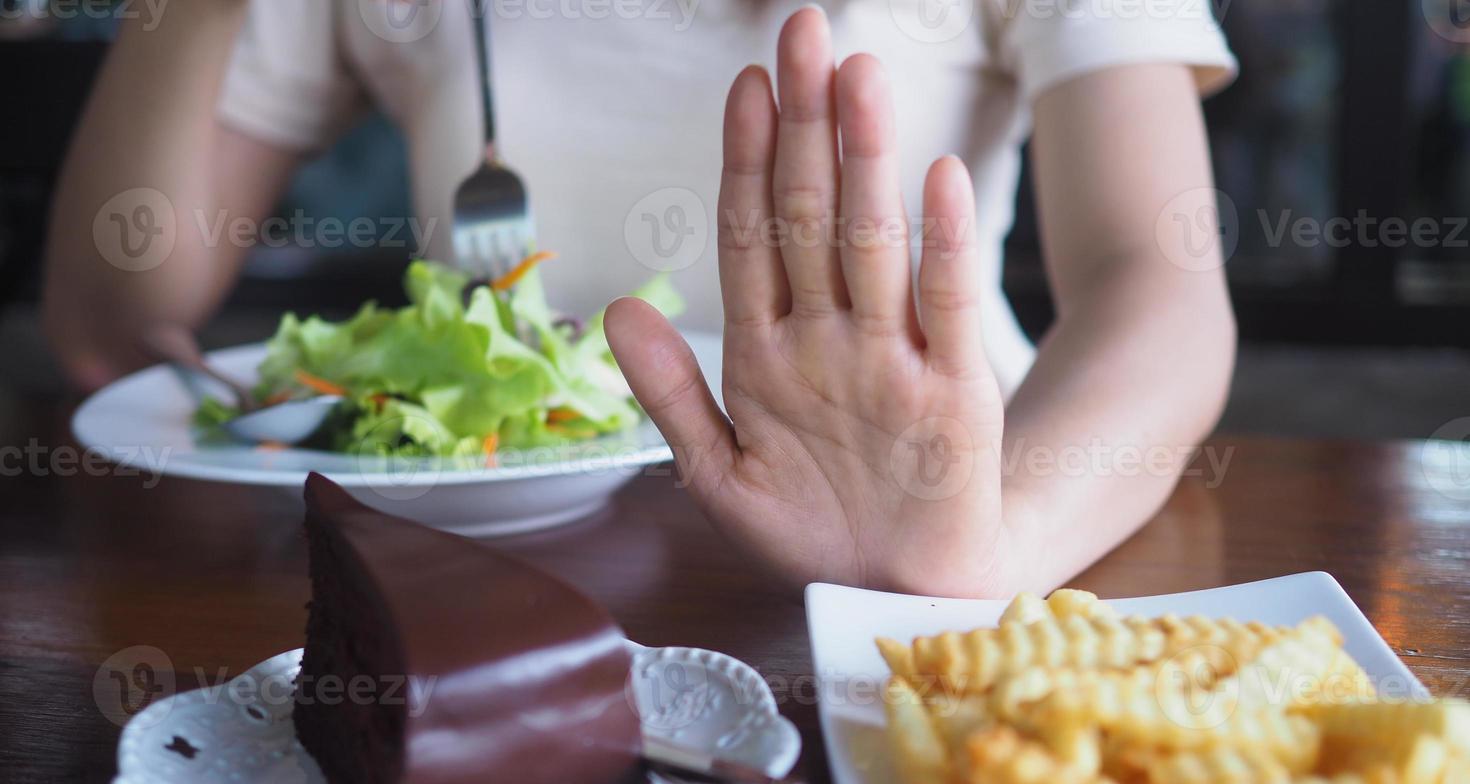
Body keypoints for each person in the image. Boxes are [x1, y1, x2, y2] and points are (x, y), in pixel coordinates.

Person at [44, 0, 1238, 596]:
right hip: (488, 575)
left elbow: (1161, 285)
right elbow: (111, 315)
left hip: (962, 529)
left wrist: (986, 539)